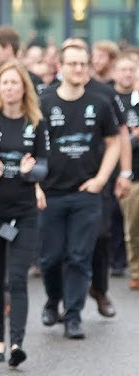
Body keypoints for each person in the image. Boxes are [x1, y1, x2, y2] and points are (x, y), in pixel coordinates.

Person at [38, 43, 120, 339]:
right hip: (51, 193)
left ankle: (73, 316)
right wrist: (35, 186)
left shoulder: (100, 101)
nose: (78, 69)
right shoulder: (44, 101)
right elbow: (29, 147)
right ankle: (52, 301)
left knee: (79, 257)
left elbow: (114, 142)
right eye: (72, 63)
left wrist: (101, 179)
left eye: (83, 64)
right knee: (50, 258)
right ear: (60, 66)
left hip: (86, 194)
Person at [0, 61, 49, 367]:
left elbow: (45, 163)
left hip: (25, 211)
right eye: (5, 83)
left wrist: (32, 172)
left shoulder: (36, 120)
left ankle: (16, 342)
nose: (9, 88)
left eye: (15, 83)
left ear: (24, 88)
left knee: (17, 278)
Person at [115, 52, 139, 289]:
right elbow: (114, 140)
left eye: (131, 70)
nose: (128, 74)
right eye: (123, 70)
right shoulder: (110, 100)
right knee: (131, 228)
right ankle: (135, 270)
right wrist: (132, 138)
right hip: (126, 176)